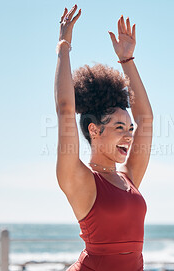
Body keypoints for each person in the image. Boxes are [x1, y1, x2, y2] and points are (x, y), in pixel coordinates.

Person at [54, 5, 153, 271]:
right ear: (95, 131)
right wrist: (64, 46)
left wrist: (127, 61)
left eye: (130, 129)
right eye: (120, 127)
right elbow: (65, 111)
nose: (129, 136)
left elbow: (147, 120)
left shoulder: (129, 176)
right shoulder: (79, 178)